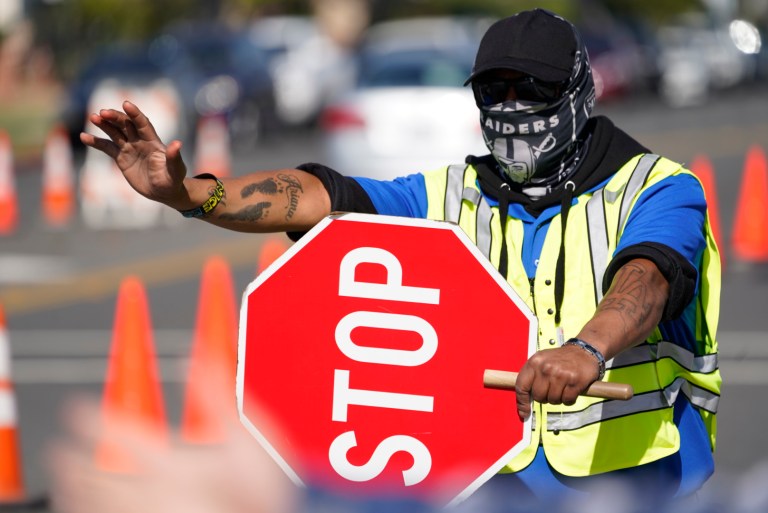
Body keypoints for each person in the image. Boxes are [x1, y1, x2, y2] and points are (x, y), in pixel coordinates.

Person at [79, 8, 721, 508]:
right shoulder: (452, 193)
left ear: (578, 92)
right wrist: (190, 194)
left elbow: (648, 277)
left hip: (646, 488)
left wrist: (587, 349)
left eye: (531, 88)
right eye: (493, 89)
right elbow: (322, 198)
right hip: (495, 491)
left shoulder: (657, 188)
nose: (510, 105)